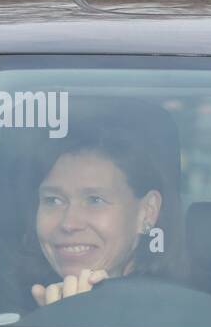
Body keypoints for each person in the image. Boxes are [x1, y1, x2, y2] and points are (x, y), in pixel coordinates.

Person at [21, 112, 182, 306]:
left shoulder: (178, 317)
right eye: (53, 200)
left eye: (95, 200)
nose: (69, 224)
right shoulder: (4, 313)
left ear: (147, 211)